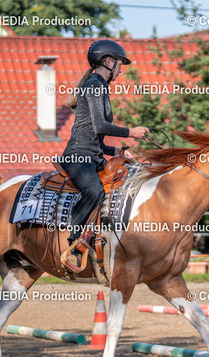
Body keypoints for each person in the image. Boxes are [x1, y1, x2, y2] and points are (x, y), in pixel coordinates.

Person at [60, 39, 150, 272]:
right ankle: (74, 245)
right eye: (120, 65)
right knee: (94, 189)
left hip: (92, 156)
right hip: (78, 157)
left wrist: (116, 151)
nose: (121, 71)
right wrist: (131, 132)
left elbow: (95, 138)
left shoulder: (100, 86)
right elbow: (100, 126)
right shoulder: (94, 85)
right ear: (108, 62)